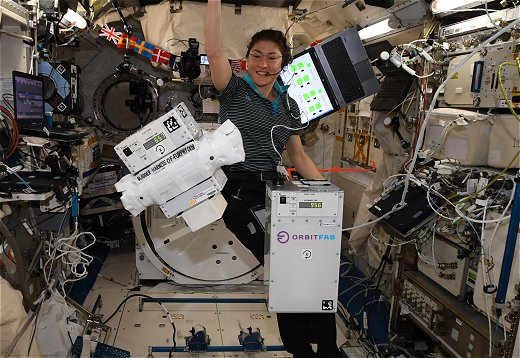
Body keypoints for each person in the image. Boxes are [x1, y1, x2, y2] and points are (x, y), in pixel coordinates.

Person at [205, 1, 341, 357]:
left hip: (274, 190)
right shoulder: (234, 91)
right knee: (287, 267)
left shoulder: (288, 105)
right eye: (257, 56)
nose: (263, 65)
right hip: (238, 193)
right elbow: (215, 50)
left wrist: (330, 196)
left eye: (272, 58)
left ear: (283, 63)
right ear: (247, 59)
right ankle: (303, 350)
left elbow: (298, 155)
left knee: (310, 264)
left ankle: (326, 346)